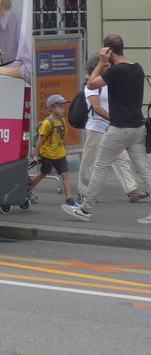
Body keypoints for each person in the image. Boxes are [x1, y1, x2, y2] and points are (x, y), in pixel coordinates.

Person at [66, 34, 151, 221]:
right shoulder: (137, 67)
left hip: (119, 129)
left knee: (99, 166)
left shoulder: (116, 71)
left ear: (109, 50)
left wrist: (101, 62)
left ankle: (85, 209)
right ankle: (86, 207)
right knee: (144, 169)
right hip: (138, 127)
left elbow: (91, 83)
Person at [78, 52, 148, 203]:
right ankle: (83, 192)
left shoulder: (108, 81)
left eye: (110, 64)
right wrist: (116, 119)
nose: (109, 67)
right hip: (97, 128)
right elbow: (96, 108)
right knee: (90, 161)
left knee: (122, 159)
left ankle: (132, 190)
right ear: (98, 67)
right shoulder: (92, 85)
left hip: (114, 128)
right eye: (106, 65)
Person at [26, 94, 79, 209]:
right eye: (59, 107)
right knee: (43, 174)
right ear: (51, 108)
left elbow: (63, 136)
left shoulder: (63, 122)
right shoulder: (47, 123)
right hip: (48, 155)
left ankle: (69, 199)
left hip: (60, 154)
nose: (62, 109)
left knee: (65, 174)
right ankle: (27, 189)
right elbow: (41, 140)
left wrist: (64, 148)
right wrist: (36, 155)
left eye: (63, 107)